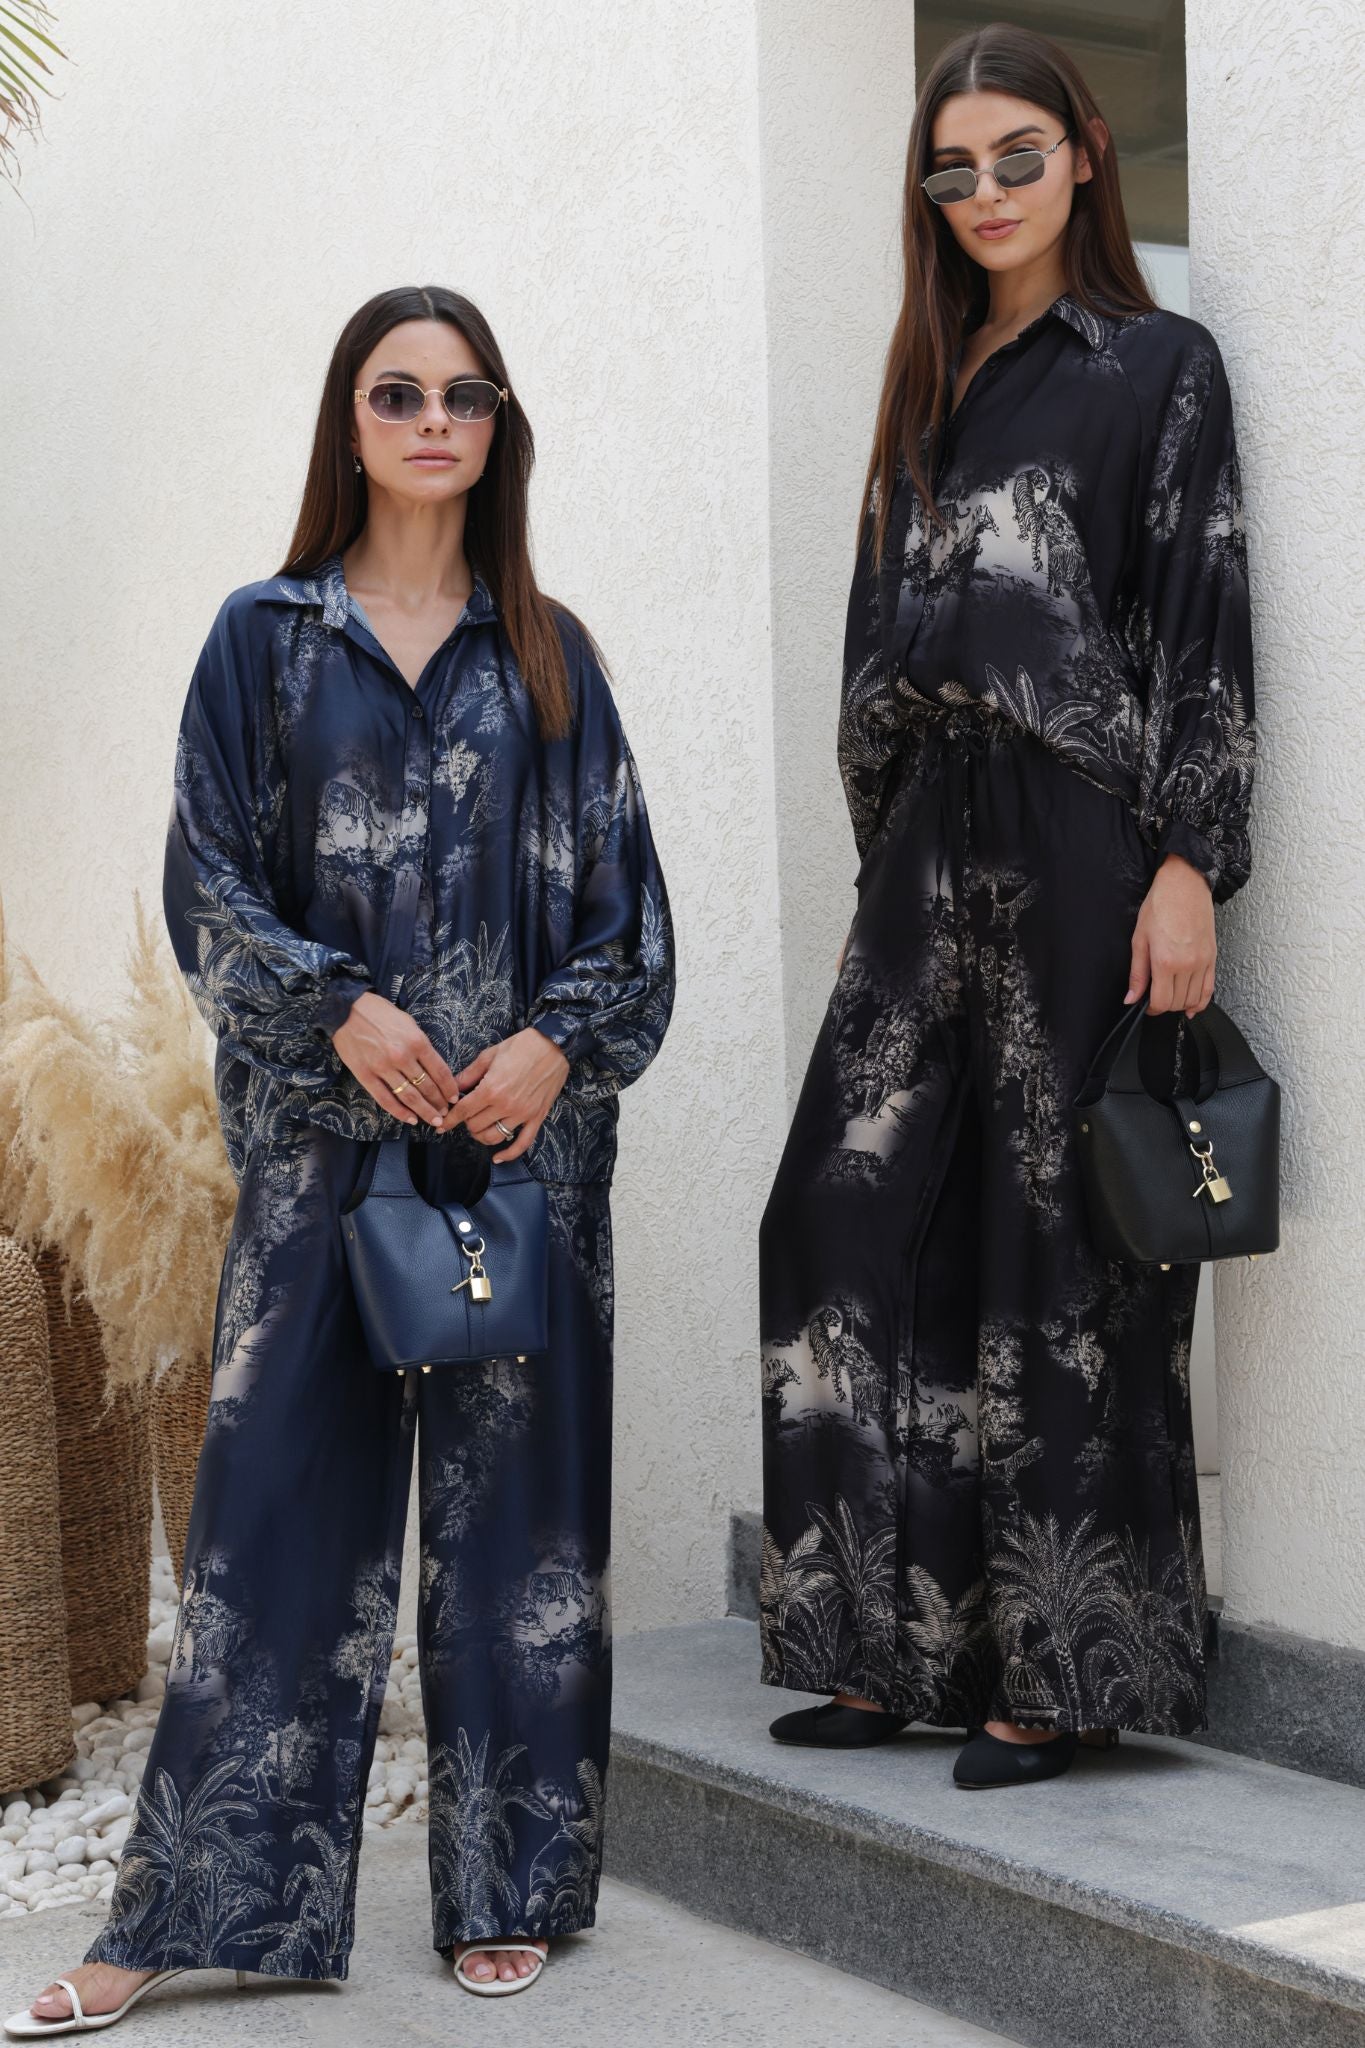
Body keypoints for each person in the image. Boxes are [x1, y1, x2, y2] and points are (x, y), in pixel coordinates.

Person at [11, 283, 674, 2034]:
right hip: (324, 1160)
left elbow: (632, 920)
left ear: (497, 425)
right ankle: (184, 1909)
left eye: (465, 394)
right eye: (399, 392)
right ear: (350, 418)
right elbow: (207, 886)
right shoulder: (265, 639)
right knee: (269, 1519)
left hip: (519, 1163)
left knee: (517, 1534)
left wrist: (551, 1045)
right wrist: (339, 1013)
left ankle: (506, 1884)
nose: (434, 419)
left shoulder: (550, 652)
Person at [758, 24, 1255, 1788]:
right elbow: (870, 647)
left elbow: (1197, 620)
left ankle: (1061, 1670)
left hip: (1084, 846)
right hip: (924, 849)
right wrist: (887, 858)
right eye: (948, 167)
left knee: (1062, 1254)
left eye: (1013, 156)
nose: (980, 192)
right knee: (841, 1216)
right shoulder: (926, 379)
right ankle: (881, 1643)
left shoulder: (1152, 366)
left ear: (1087, 156)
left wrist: (1190, 858)